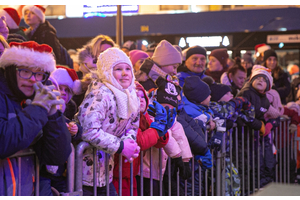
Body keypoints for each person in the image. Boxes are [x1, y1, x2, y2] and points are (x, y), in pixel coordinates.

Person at [0, 41, 71, 195]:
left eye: (39, 74)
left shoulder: (37, 100)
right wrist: (38, 108)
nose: (33, 79)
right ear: (12, 71)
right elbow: (3, 141)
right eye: (25, 71)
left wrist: (53, 116)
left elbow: (57, 156)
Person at [75, 47, 140, 196]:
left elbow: (133, 126)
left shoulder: (131, 95)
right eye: (118, 69)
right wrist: (120, 145)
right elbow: (89, 130)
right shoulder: (100, 94)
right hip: (83, 175)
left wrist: (128, 142)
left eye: (128, 69)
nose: (124, 73)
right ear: (107, 72)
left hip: (105, 173)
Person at [113, 82, 170, 196]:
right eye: (136, 96)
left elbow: (159, 143)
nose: (141, 99)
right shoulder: (126, 118)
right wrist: (157, 129)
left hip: (131, 173)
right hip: (118, 174)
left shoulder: (145, 117)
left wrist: (163, 130)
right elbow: (140, 141)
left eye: (143, 96)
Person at [146, 75, 192, 196]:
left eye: (172, 107)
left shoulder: (172, 118)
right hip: (148, 168)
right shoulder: (151, 115)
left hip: (164, 166)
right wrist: (177, 156)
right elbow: (166, 135)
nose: (168, 110)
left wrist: (185, 159)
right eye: (165, 106)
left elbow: (180, 135)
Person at [40, 66, 83, 194]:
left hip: (61, 169)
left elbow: (74, 126)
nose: (63, 92)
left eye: (67, 90)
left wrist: (75, 131)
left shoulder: (69, 108)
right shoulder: (47, 108)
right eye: (60, 88)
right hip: (44, 169)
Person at [236, 65, 275, 194]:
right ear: (251, 80)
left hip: (252, 139)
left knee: (255, 166)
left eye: (264, 80)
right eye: (257, 78)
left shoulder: (264, 99)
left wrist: (267, 123)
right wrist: (260, 125)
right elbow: (245, 115)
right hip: (242, 139)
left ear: (268, 86)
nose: (260, 81)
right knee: (245, 167)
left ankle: (253, 191)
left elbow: (267, 115)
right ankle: (245, 192)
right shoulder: (246, 93)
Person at [74, 34, 116, 108]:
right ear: (95, 53)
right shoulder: (80, 75)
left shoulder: (117, 74)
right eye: (102, 51)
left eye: (110, 51)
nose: (106, 54)